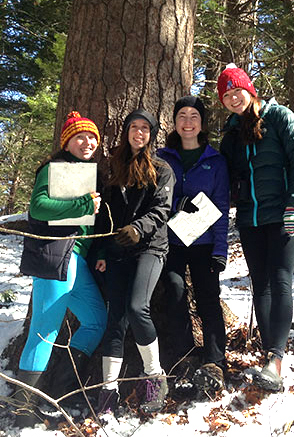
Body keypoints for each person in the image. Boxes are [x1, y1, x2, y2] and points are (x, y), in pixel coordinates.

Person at [217, 64, 294, 392]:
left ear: (250, 89)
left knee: (281, 279)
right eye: (226, 96)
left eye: (237, 92)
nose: (233, 99)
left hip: (284, 214)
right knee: (260, 284)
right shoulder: (231, 134)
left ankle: (276, 358)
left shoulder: (279, 116)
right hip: (250, 219)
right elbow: (225, 176)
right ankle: (268, 357)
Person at [16, 111, 108, 427]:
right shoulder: (53, 169)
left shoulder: (90, 173)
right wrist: (81, 205)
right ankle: (21, 408)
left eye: (92, 137)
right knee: (44, 332)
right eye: (80, 137)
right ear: (66, 141)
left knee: (97, 321)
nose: (88, 142)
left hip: (79, 261)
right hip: (56, 257)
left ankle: (59, 389)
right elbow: (38, 207)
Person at [95, 109, 175, 414]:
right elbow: (105, 216)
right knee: (115, 317)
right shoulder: (114, 169)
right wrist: (102, 251)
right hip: (117, 251)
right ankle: (107, 391)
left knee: (135, 307)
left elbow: (161, 209)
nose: (139, 133)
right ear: (126, 131)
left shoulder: (161, 168)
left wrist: (138, 228)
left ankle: (154, 375)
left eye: (145, 129)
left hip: (150, 249)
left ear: (151, 135)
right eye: (134, 127)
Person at [157, 96, 230, 397]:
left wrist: (221, 250)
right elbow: (154, 198)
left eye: (194, 116)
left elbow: (223, 206)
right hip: (171, 241)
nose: (188, 121)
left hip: (204, 242)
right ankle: (186, 357)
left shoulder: (215, 160)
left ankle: (214, 362)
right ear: (175, 122)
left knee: (208, 298)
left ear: (202, 123)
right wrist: (177, 204)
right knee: (174, 293)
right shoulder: (163, 157)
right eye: (182, 115)